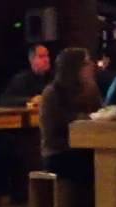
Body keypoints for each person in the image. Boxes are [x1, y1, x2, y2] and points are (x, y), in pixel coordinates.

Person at [40, 48, 102, 186]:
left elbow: (99, 114)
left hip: (87, 147)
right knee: (91, 165)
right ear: (73, 68)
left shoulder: (91, 89)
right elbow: (53, 133)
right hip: (59, 152)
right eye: (86, 63)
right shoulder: (52, 93)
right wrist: (85, 119)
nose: (92, 65)